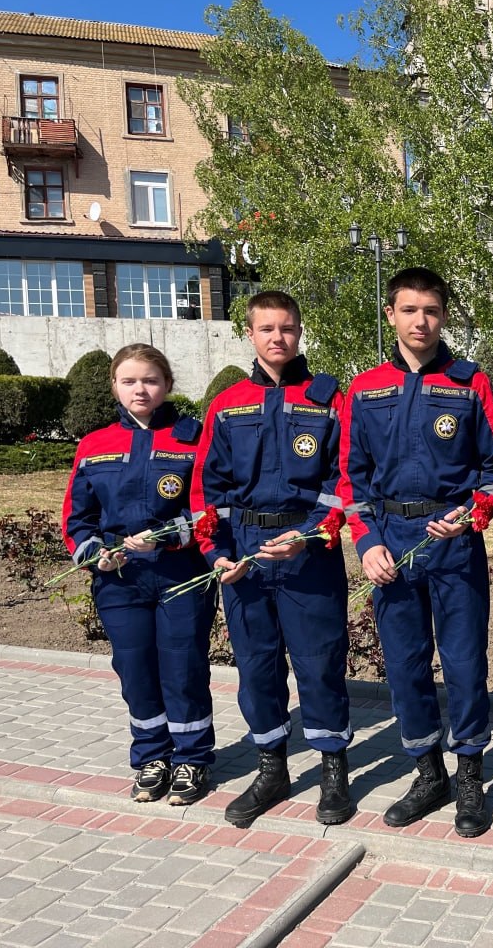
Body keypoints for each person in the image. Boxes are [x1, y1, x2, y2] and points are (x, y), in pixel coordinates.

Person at [340, 266, 493, 838]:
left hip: (453, 545)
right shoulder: (365, 389)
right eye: (409, 310)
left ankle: (470, 776)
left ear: (444, 315)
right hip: (391, 546)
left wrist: (472, 518)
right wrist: (367, 543)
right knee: (406, 665)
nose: (421, 321)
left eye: (431, 310)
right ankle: (428, 772)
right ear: (391, 314)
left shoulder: (470, 382)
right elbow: (349, 478)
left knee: (464, 665)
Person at [192, 290, 352, 828]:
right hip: (246, 554)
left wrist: (310, 535)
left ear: (300, 331)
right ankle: (272, 768)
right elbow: (207, 489)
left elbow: (343, 480)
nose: (277, 337)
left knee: (320, 664)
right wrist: (217, 554)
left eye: (286, 327)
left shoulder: (328, 399)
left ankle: (333, 768)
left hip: (308, 554)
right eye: (266, 329)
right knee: (257, 667)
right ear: (250, 333)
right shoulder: (227, 403)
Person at [61, 345, 216, 805]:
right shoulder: (94, 445)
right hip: (119, 580)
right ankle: (152, 757)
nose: (140, 389)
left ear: (167, 384)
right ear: (114, 386)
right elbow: (77, 519)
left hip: (180, 573)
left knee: (183, 668)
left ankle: (192, 758)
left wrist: (167, 538)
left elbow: (210, 509)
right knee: (135, 670)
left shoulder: (194, 439)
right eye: (129, 381)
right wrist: (96, 556)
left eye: (150, 380)